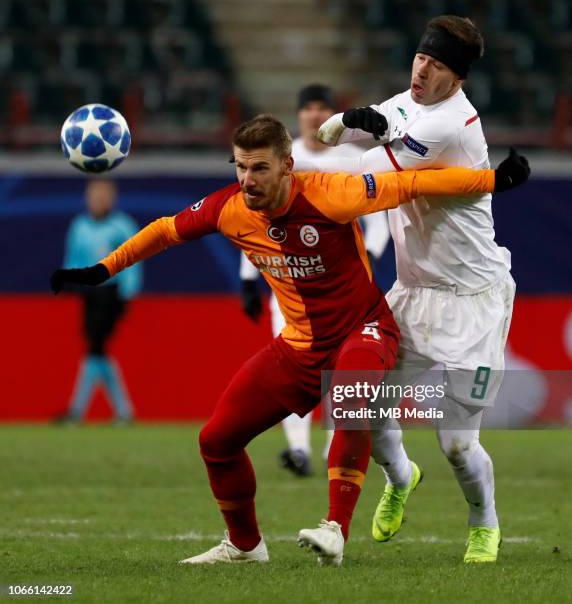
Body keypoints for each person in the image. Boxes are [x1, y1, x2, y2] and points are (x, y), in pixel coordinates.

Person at [50, 114, 528, 566]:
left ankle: (335, 529)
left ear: (287, 166)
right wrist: (101, 270)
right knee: (216, 441)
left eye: (260, 168)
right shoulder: (228, 209)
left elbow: (414, 183)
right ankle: (244, 546)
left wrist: (491, 181)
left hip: (363, 329)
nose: (247, 179)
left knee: (351, 401)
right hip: (298, 345)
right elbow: (164, 232)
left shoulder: (331, 194)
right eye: (240, 166)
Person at [309, 15, 517, 563]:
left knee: (456, 444)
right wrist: (350, 120)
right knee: (367, 410)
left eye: (439, 65)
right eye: (422, 57)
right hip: (413, 293)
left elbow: (369, 174)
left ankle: (483, 522)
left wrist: (312, 162)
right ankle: (401, 477)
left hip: (472, 303)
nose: (423, 70)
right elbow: (386, 119)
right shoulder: (413, 99)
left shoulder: (453, 126)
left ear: (460, 77)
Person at [239, 84, 390, 476]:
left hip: (341, 291)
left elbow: (379, 221)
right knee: (294, 366)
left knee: (340, 372)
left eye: (322, 107)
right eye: (308, 107)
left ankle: (330, 450)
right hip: (289, 285)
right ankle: (299, 450)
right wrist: (247, 278)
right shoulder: (284, 160)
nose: (315, 114)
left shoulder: (354, 160)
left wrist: (367, 258)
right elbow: (257, 219)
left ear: (332, 114)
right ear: (300, 115)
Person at [58, 178, 142, 424]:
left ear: (111, 199)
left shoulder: (122, 226)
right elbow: (73, 257)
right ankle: (123, 411)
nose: (98, 201)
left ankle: (77, 411)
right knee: (97, 351)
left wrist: (127, 294)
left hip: (112, 291)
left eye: (103, 197)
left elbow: (134, 260)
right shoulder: (80, 226)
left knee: (96, 348)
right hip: (89, 293)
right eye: (94, 197)